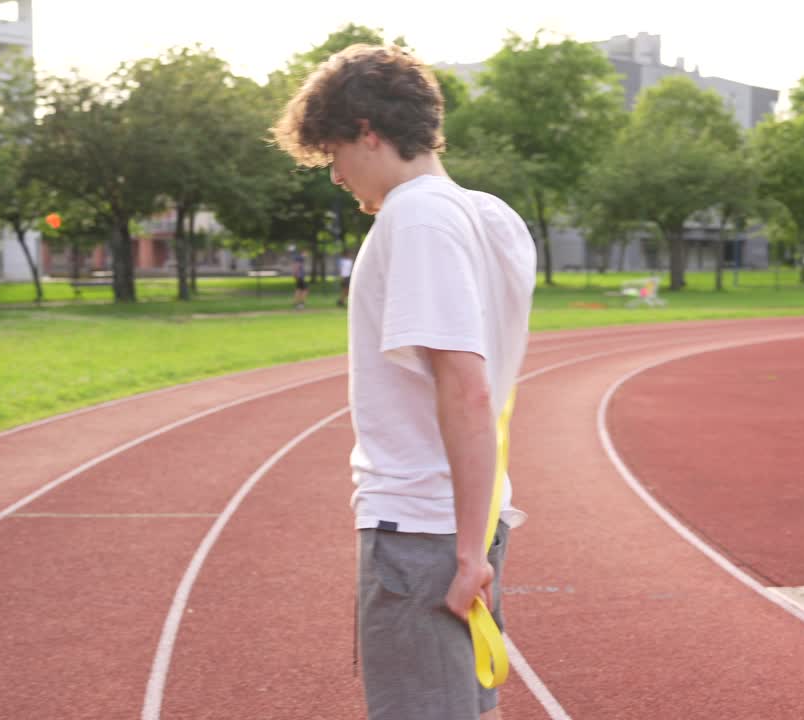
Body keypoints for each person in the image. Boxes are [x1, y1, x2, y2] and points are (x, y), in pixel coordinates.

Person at [271, 44, 536, 720]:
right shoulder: (490, 215)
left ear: (368, 131)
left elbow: (467, 387)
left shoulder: (415, 218)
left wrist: (467, 551)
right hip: (462, 519)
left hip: (425, 529)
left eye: (332, 152)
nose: (333, 174)